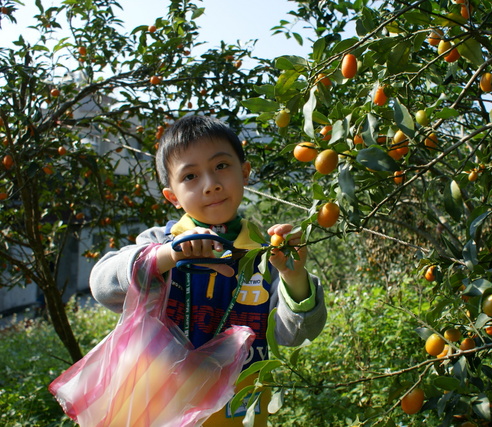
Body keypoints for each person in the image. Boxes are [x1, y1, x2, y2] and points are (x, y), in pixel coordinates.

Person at [89, 115, 327, 426]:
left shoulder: (263, 252)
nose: (211, 184)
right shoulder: (160, 244)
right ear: (172, 196)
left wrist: (293, 276)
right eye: (190, 176)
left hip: (239, 414)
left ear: (244, 172)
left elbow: (294, 334)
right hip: (163, 411)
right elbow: (102, 284)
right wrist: (167, 256)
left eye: (221, 167)